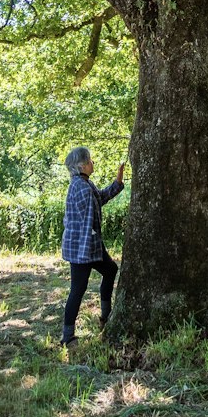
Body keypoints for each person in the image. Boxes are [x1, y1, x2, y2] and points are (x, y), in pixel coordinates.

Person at [60, 146, 125, 346]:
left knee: (110, 270)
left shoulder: (84, 183)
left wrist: (118, 181)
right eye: (89, 161)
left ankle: (106, 317)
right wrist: (94, 238)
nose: (92, 163)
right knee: (78, 289)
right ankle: (68, 337)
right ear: (82, 166)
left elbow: (101, 198)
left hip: (87, 245)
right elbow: (87, 219)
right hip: (82, 247)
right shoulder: (80, 187)